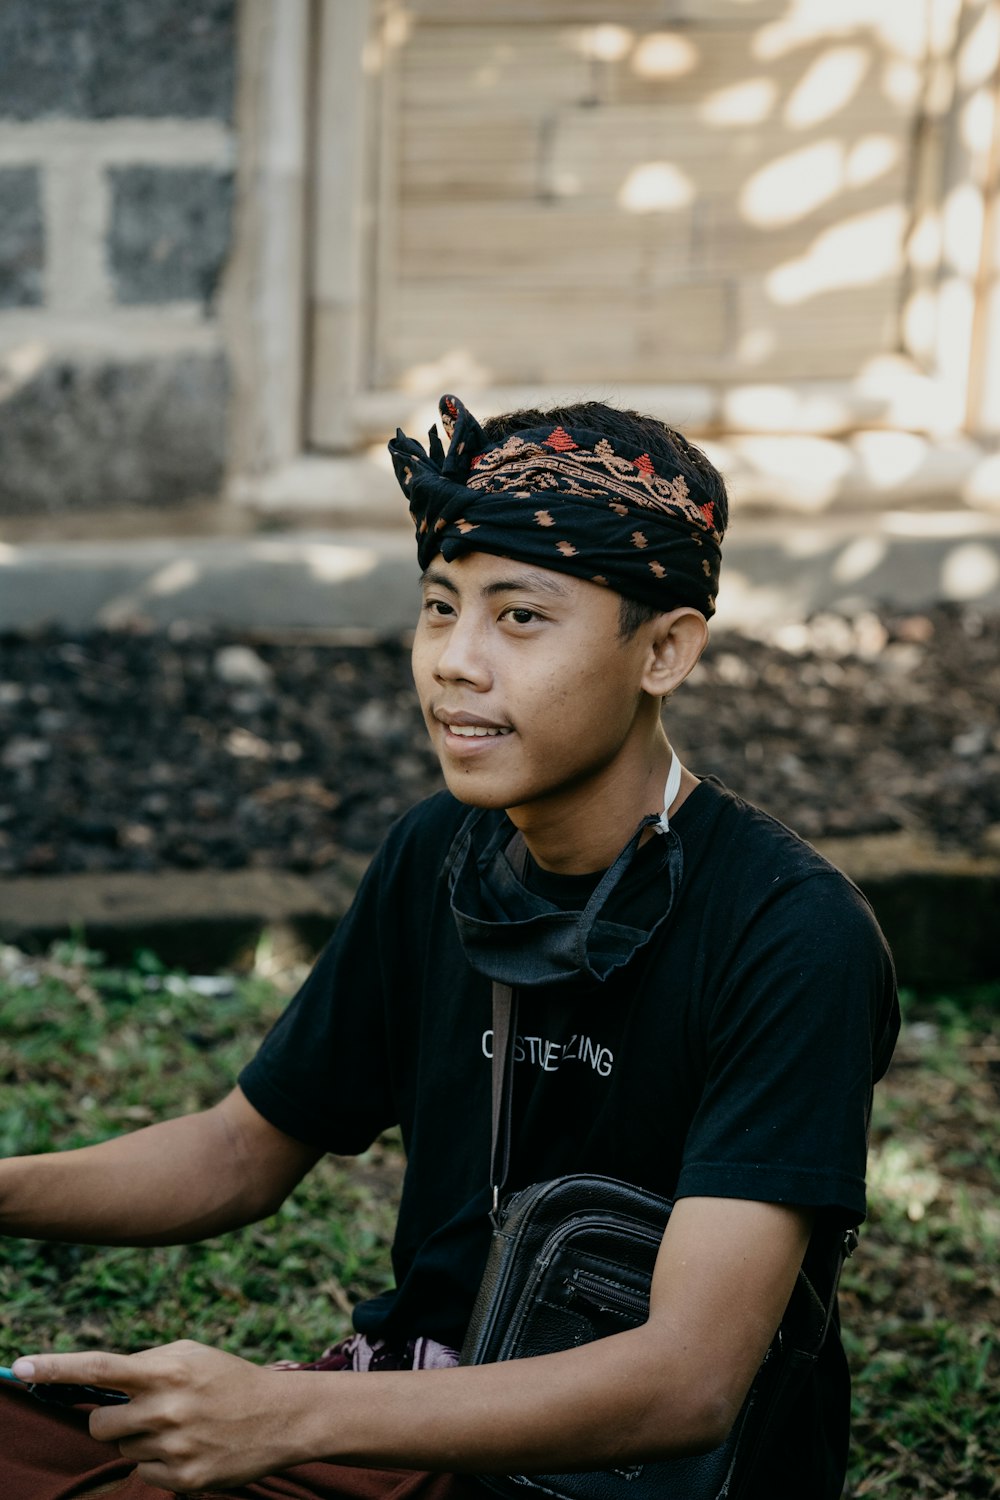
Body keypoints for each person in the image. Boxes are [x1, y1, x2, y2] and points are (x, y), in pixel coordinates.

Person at [0, 394, 899, 1500]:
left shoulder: (790, 931)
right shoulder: (439, 852)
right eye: (439, 608)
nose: (453, 664)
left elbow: (687, 1381)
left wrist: (286, 1411)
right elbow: (241, 1152)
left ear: (664, 650)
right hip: (406, 1422)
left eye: (519, 618)